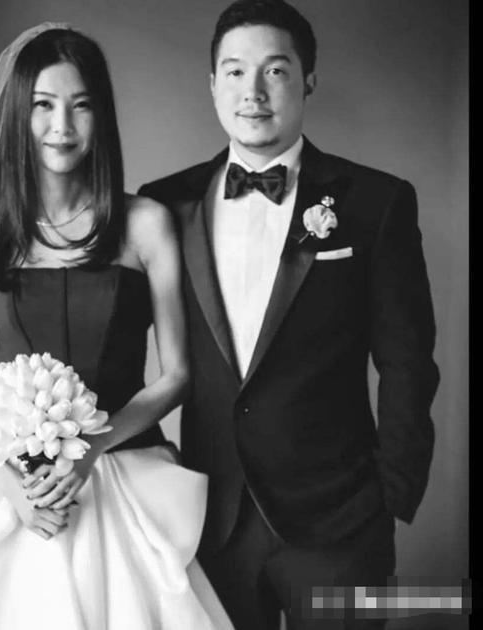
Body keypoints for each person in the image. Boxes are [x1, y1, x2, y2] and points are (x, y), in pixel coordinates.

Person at [0, 23, 235, 630]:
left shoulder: (145, 224)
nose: (62, 125)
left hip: (123, 472)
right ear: (18, 115)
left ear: (100, 115)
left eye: (80, 105)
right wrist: (14, 490)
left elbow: (178, 376)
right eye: (43, 106)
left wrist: (92, 451)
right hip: (10, 488)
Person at [138, 1, 440, 628]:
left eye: (275, 70)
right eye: (235, 71)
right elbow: (118, 339)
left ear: (308, 81)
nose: (253, 91)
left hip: (341, 525)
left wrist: (392, 491)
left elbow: (408, 360)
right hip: (208, 523)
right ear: (212, 83)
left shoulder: (377, 201)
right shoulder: (162, 204)